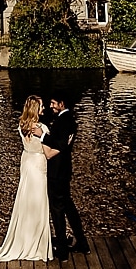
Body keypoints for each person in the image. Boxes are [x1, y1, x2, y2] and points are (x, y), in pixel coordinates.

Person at [0, 95, 53, 262]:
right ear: (35, 109)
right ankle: (36, 245)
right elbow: (47, 151)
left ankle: (25, 238)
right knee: (38, 202)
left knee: (26, 200)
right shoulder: (42, 128)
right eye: (41, 106)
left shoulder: (22, 126)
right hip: (37, 164)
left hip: (26, 162)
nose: (44, 109)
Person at [42, 93, 88, 260]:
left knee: (57, 210)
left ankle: (62, 250)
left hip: (57, 172)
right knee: (68, 206)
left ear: (62, 103)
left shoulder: (63, 120)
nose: (51, 106)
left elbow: (61, 144)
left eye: (53, 103)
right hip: (64, 170)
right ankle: (82, 242)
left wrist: (42, 135)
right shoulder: (70, 118)